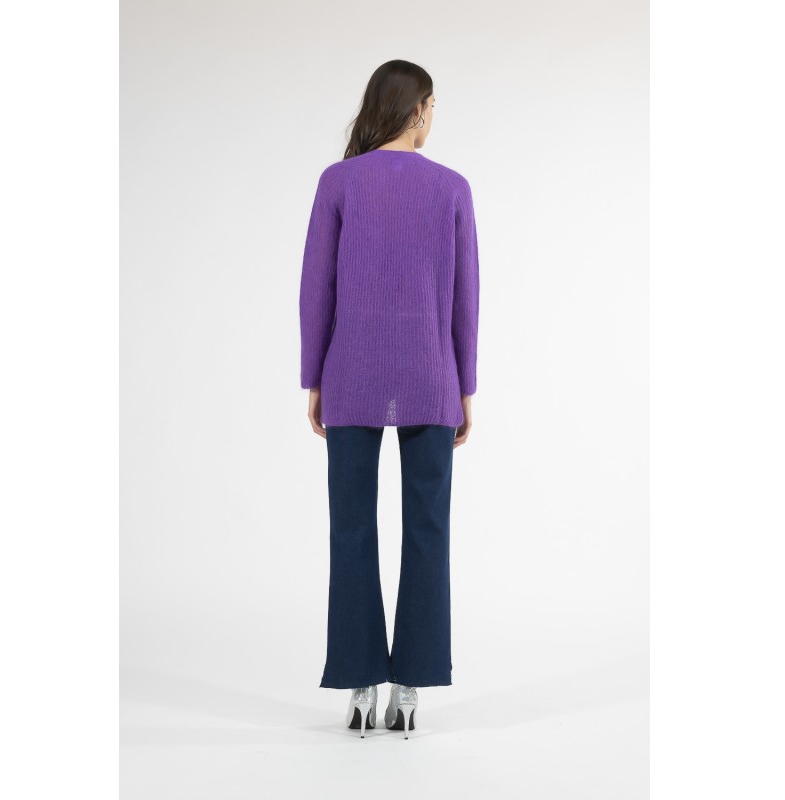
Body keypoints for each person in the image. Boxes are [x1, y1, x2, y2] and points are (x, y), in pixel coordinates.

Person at [299, 59, 480, 739]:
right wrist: (465, 387)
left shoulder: (338, 181)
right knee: (428, 530)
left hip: (351, 377)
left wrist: (313, 378)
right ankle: (409, 687)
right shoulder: (452, 187)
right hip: (432, 379)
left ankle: (358, 685)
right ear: (420, 109)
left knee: (351, 529)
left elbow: (315, 289)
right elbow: (466, 299)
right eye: (433, 108)